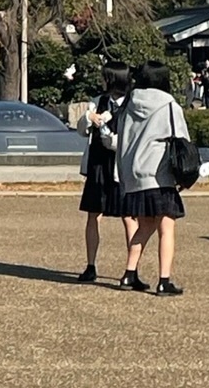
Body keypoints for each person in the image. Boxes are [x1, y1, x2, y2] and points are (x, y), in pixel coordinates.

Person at [116, 60, 189, 295]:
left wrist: (124, 177)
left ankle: (129, 273)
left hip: (134, 174)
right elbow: (182, 139)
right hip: (160, 174)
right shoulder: (169, 105)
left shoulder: (128, 104)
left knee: (144, 225)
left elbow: (121, 143)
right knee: (166, 226)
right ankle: (163, 279)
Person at [75, 61, 133, 283]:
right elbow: (82, 130)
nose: (101, 80)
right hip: (97, 165)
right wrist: (88, 118)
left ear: (112, 79)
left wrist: (113, 141)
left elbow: (131, 138)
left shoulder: (130, 105)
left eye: (104, 77)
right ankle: (90, 265)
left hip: (120, 166)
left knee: (128, 216)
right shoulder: (98, 101)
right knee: (93, 215)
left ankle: (131, 268)